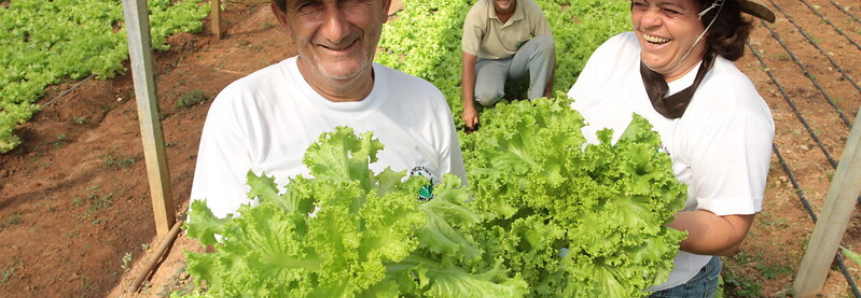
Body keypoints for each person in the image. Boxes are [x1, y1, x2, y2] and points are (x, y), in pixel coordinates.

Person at [567, 0, 776, 296]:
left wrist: (628, 216)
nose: (648, 20)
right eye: (641, 3)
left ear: (712, 20)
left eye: (671, 10)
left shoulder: (732, 107)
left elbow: (729, 230)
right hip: (580, 265)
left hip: (663, 287)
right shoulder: (616, 52)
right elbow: (566, 129)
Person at [190, 0, 467, 220]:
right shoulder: (242, 112)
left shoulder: (426, 102)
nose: (336, 31)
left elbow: (455, 221)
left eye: (351, 1)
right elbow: (229, 263)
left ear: (383, 5)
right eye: (310, 5)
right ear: (284, 18)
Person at [461, 0, 556, 130]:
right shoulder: (477, 14)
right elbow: (468, 61)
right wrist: (468, 107)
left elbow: (549, 51)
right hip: (490, 62)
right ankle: (496, 86)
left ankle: (536, 101)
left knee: (546, 43)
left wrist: (548, 92)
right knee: (486, 96)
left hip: (518, 59)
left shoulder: (530, 8)